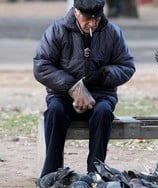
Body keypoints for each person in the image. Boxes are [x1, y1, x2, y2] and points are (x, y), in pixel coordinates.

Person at [33, 0, 135, 178]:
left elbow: (127, 66)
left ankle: (96, 172)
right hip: (63, 95)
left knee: (103, 112)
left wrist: (104, 74)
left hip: (101, 95)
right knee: (55, 111)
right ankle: (52, 173)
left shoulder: (113, 32)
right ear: (75, 12)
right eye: (88, 19)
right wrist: (72, 87)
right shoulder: (57, 30)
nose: (93, 23)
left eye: (97, 18)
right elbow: (41, 66)